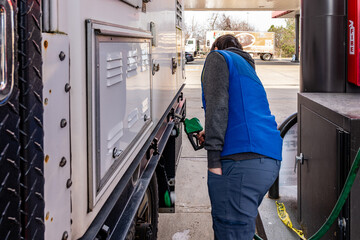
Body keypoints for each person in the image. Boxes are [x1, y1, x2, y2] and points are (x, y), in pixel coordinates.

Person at [198, 34, 282, 239]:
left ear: (216, 47)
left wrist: (213, 161)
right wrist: (210, 133)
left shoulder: (218, 57)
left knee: (230, 233)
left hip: (242, 161)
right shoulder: (246, 67)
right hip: (267, 159)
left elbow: (217, 107)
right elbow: (241, 110)